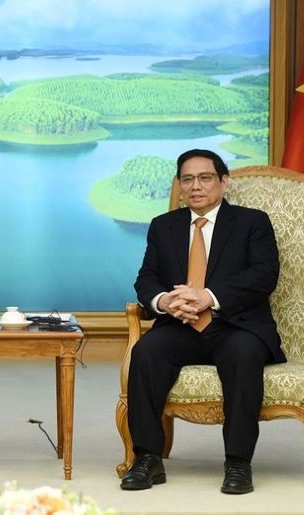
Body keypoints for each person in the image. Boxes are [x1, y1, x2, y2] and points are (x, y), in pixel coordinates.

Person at [121, 148, 285, 495]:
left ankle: (238, 463)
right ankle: (148, 459)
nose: (196, 186)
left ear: (223, 182)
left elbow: (263, 276)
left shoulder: (252, 222)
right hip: (179, 325)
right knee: (146, 351)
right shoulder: (163, 227)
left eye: (205, 177)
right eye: (188, 179)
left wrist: (207, 296)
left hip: (236, 325)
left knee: (243, 353)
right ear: (180, 186)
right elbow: (146, 279)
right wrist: (164, 301)